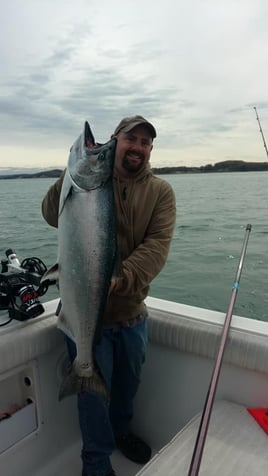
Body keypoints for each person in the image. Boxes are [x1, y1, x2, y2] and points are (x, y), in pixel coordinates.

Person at [41, 115, 176, 476]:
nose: (138, 147)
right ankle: (96, 465)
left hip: (132, 314)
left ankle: (121, 433)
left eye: (146, 142)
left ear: (150, 150)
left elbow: (156, 248)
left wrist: (119, 279)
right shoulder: (87, 179)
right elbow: (51, 214)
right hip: (82, 313)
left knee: (127, 387)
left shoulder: (160, 192)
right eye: (131, 138)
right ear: (115, 140)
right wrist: (71, 172)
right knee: (92, 403)